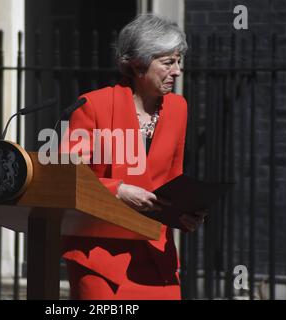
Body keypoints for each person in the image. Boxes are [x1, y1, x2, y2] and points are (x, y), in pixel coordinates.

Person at [61, 14, 207, 300]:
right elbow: (67, 176)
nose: (177, 71)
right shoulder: (93, 106)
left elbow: (172, 178)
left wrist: (186, 211)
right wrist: (118, 191)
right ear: (138, 65)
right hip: (101, 256)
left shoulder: (178, 108)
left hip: (156, 254)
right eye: (168, 62)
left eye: (178, 61)